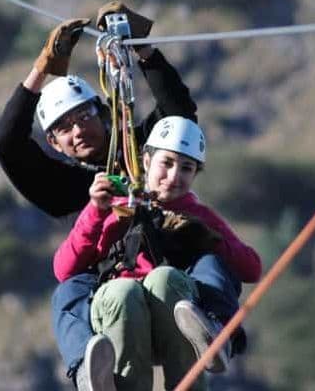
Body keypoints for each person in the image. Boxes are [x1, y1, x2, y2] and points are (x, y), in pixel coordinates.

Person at [0, 2, 245, 389]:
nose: (77, 130)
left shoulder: (143, 151)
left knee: (208, 260)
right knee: (70, 292)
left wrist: (143, 48)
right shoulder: (64, 188)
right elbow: (8, 143)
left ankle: (214, 332)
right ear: (55, 144)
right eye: (64, 128)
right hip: (115, 296)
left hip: (174, 287)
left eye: (83, 117)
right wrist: (43, 70)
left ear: (104, 114)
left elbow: (178, 111)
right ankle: (89, 369)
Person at [54, 116, 262, 391]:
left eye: (186, 168)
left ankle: (215, 333)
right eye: (167, 163)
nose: (174, 176)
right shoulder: (113, 206)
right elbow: (64, 270)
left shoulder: (198, 215)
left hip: (174, 309)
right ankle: (87, 366)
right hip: (121, 306)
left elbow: (251, 268)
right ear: (147, 161)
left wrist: (210, 240)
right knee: (116, 292)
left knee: (168, 278)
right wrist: (95, 212)